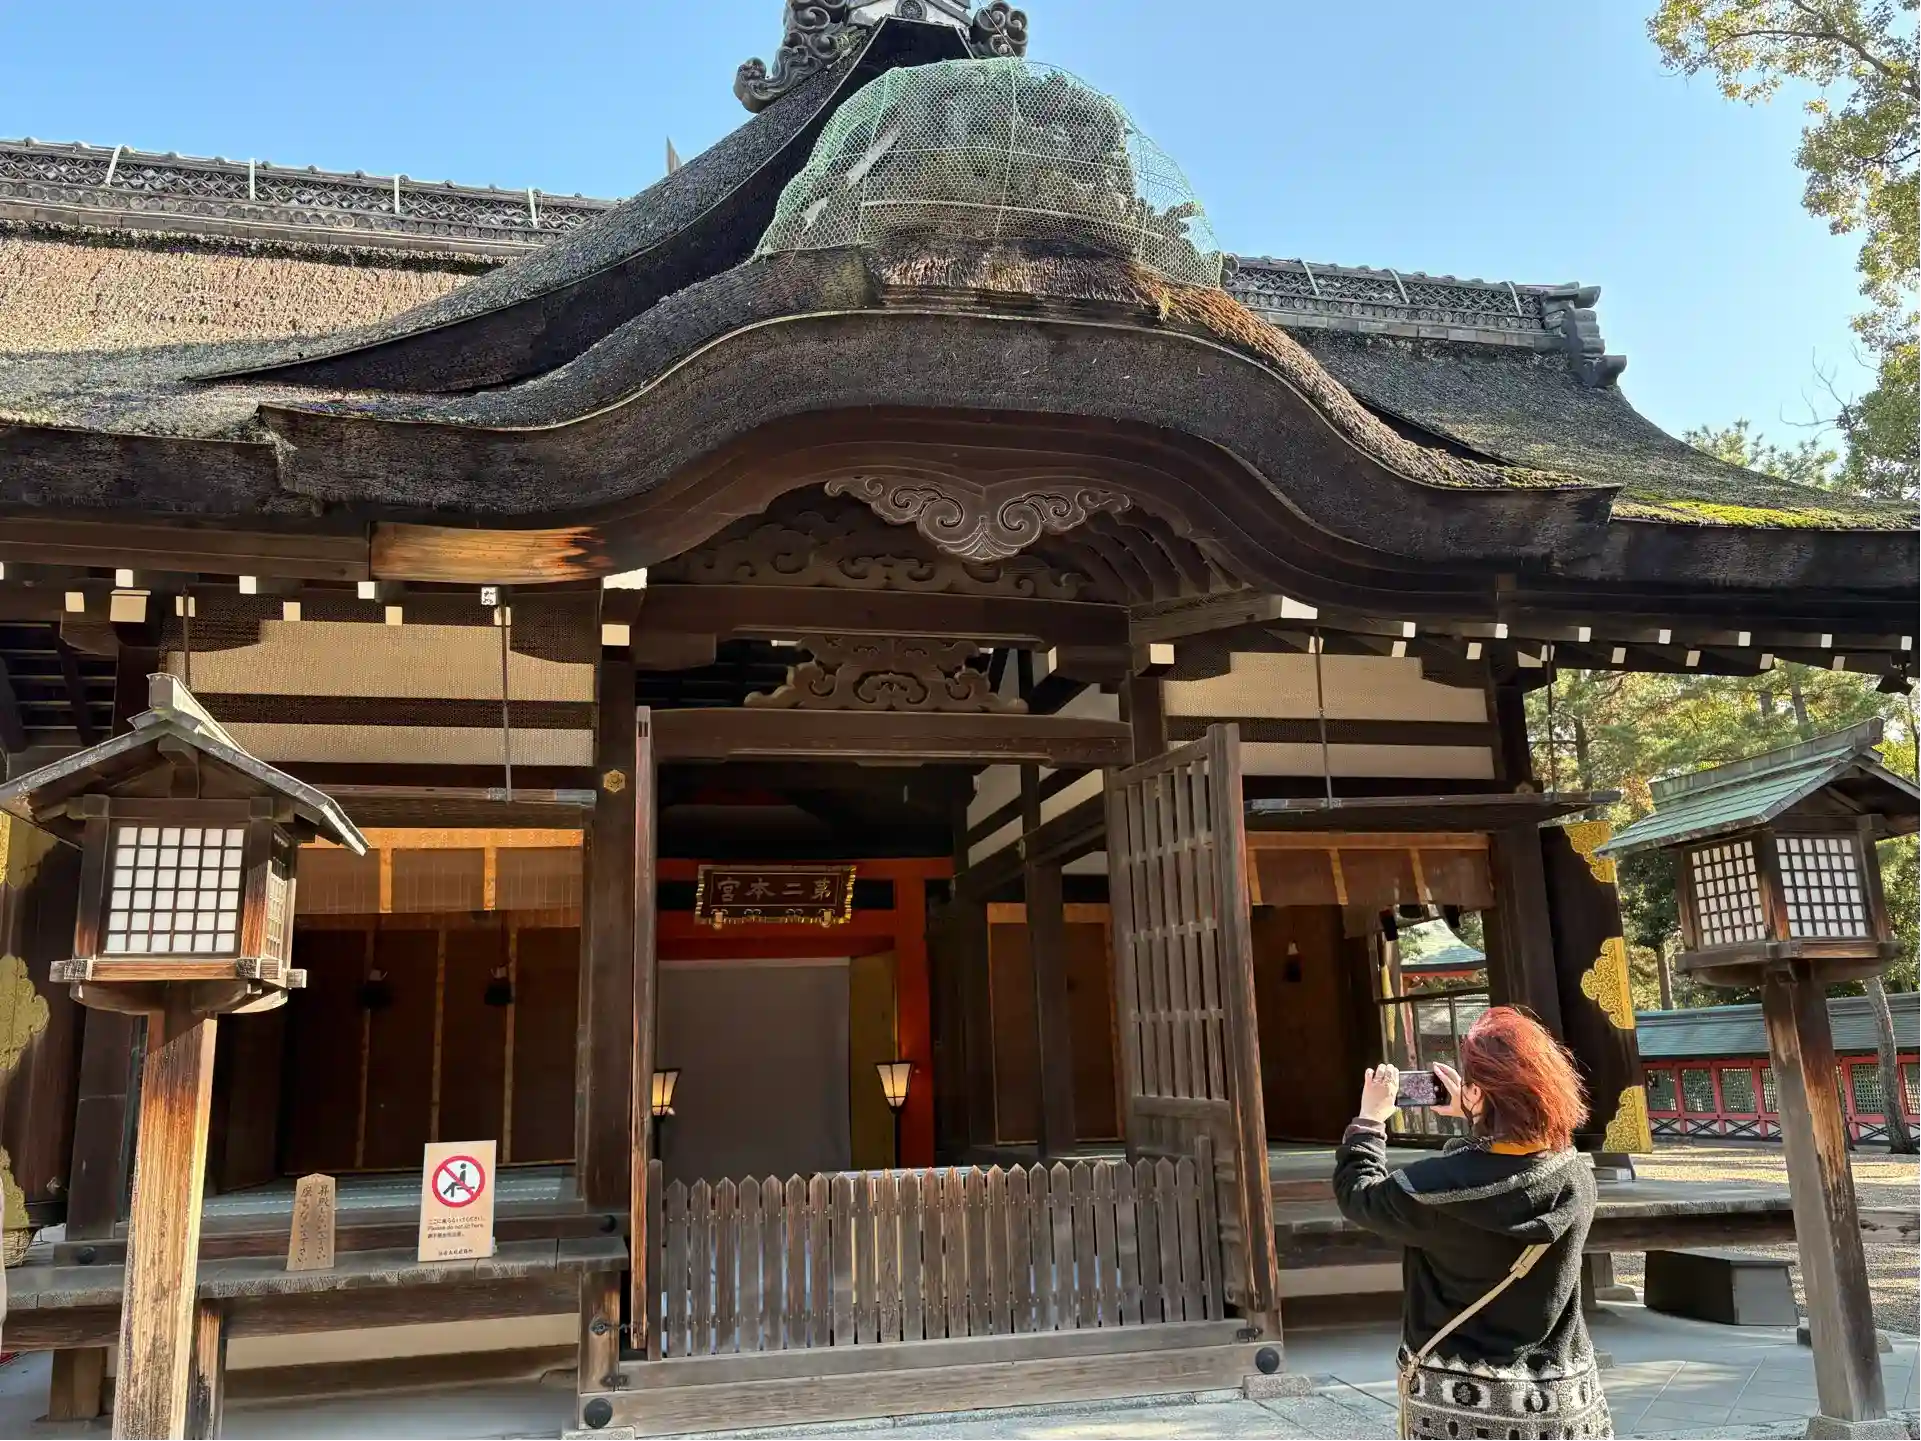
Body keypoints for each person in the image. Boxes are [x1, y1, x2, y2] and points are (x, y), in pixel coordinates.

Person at [1334, 1006, 1613, 1440]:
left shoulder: (1434, 1188)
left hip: (1459, 1409)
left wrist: (1370, 1121)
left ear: (1479, 1092)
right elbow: (1516, 1165)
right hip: (1563, 1403)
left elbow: (1358, 1194)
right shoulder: (1575, 1177)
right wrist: (1480, 1115)